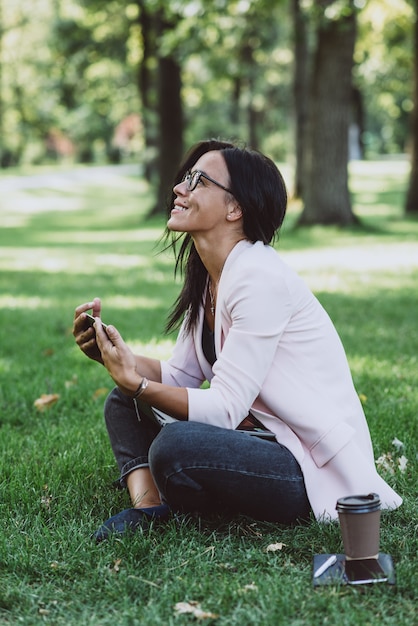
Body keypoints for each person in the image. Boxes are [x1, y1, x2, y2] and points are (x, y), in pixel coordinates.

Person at [73, 139, 402, 542]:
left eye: (199, 181)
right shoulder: (211, 277)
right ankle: (150, 509)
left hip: (307, 466)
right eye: (185, 179)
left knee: (177, 444)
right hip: (259, 438)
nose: (180, 188)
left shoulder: (258, 277)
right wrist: (113, 356)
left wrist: (139, 382)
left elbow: (225, 408)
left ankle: (184, 492)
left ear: (235, 208)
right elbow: (180, 375)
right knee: (123, 402)